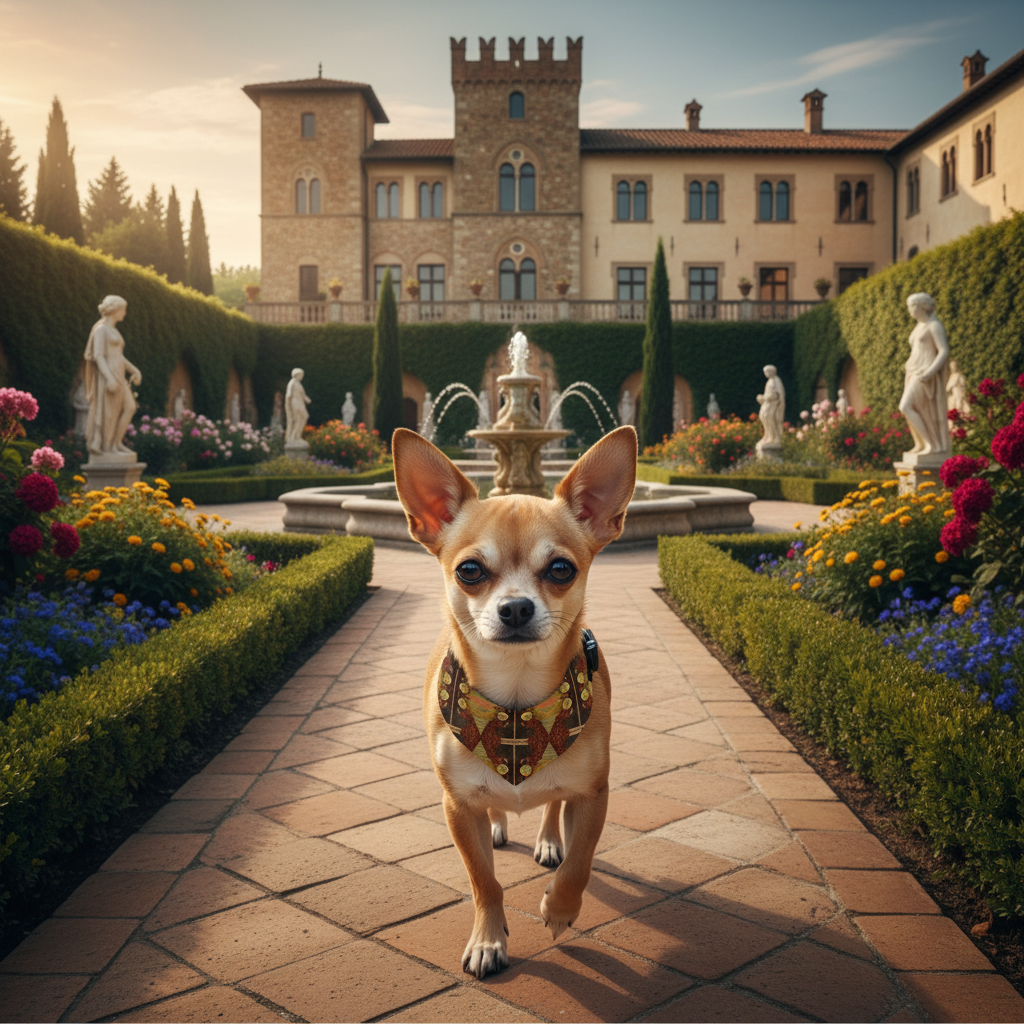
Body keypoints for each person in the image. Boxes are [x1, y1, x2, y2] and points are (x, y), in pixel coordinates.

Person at [84, 295, 141, 457]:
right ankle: (108, 447)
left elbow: (119, 356)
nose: (125, 313)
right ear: (115, 309)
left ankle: (116, 443)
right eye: (123, 309)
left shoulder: (113, 330)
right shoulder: (101, 330)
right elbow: (98, 356)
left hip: (119, 374)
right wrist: (108, 378)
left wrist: (134, 370)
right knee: (109, 413)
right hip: (108, 375)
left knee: (130, 407)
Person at [899, 293, 951, 456]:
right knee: (918, 409)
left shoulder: (934, 325)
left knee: (905, 406)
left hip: (924, 372)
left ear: (922, 306)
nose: (910, 310)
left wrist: (930, 372)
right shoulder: (919, 326)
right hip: (913, 371)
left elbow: (943, 351)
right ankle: (921, 444)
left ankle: (932, 445)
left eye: (912, 306)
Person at [756, 365, 785, 447]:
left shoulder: (776, 381)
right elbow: (768, 394)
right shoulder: (770, 381)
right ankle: (767, 435)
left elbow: (778, 395)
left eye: (767, 371)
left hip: (773, 404)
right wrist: (762, 398)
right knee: (763, 417)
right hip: (767, 403)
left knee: (770, 418)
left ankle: (773, 437)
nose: (766, 373)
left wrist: (766, 398)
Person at [285, 368, 311, 444]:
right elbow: (289, 395)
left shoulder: (298, 384)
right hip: (295, 403)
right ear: (297, 375)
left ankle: (297, 436)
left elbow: (302, 395)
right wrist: (289, 407)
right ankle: (293, 437)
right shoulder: (292, 383)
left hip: (300, 403)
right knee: (298, 419)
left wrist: (307, 399)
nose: (302, 377)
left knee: (304, 417)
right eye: (301, 375)